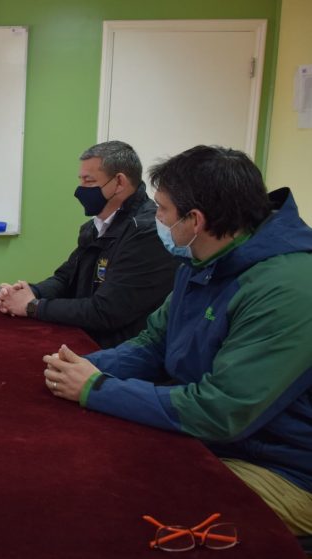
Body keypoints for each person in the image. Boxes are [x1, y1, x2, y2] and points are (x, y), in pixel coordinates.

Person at [43, 145, 312, 535]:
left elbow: (221, 411)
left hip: (284, 470)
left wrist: (97, 389)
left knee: (125, 501)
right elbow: (154, 342)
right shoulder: (201, 256)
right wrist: (88, 367)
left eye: (163, 210)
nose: (158, 219)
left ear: (195, 220)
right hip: (220, 441)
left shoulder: (287, 288)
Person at [0, 141, 177, 348]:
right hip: (84, 337)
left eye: (88, 181)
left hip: (118, 352)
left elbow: (106, 311)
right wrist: (31, 292)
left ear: (119, 182)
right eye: (80, 180)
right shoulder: (93, 227)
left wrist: (33, 307)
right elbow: (65, 278)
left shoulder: (147, 232)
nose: (80, 190)